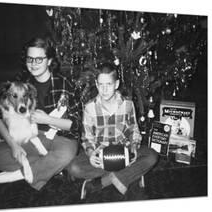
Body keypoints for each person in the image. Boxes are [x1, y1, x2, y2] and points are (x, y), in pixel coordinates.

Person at [0, 37, 81, 191]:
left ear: (49, 61)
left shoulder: (64, 84)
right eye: (30, 59)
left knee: (66, 153)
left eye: (39, 59)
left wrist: (47, 119)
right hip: (30, 137)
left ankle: (18, 174)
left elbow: (76, 125)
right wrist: (13, 145)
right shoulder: (19, 83)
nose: (33, 63)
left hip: (61, 137)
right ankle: (50, 167)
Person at [66, 62, 158, 199]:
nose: (104, 90)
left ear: (116, 84)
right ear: (96, 85)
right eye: (100, 85)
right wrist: (91, 154)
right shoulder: (90, 107)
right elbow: (87, 137)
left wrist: (133, 146)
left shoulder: (127, 104)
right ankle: (129, 174)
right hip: (101, 154)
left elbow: (134, 130)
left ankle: (105, 180)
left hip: (124, 153)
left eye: (108, 84)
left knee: (152, 156)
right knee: (73, 168)